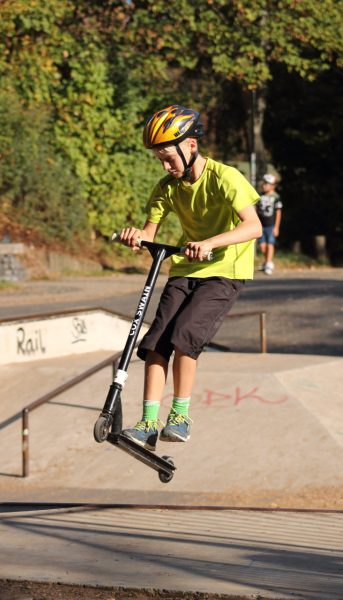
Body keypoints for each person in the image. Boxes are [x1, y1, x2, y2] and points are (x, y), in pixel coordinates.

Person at [119, 104, 262, 451]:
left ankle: (180, 416)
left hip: (224, 272)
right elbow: (150, 234)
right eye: (160, 160)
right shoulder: (167, 187)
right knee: (155, 343)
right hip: (185, 269)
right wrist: (137, 237)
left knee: (186, 336)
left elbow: (253, 225)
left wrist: (210, 243)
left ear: (191, 146)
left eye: (169, 157)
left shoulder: (226, 177)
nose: (166, 166)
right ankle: (148, 423)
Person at [256, 174, 282, 275]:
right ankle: (267, 261)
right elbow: (256, 209)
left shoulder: (276, 197)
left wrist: (276, 227)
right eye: (264, 183)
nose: (264, 185)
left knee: (270, 244)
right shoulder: (260, 196)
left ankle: (268, 263)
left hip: (271, 225)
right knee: (262, 246)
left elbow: (278, 213)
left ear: (272, 186)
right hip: (261, 225)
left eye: (267, 184)